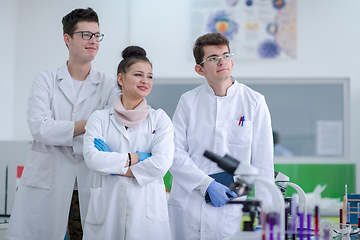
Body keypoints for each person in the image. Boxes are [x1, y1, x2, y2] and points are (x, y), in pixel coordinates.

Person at [6, 8, 119, 240]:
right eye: (86, 34)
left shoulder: (109, 85)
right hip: (49, 180)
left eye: (97, 35)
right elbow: (39, 128)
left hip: (88, 180)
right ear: (67, 39)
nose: (94, 41)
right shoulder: (45, 79)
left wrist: (66, 128)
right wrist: (90, 124)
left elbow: (108, 130)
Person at [167, 33, 274, 240]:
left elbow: (262, 163)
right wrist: (206, 184)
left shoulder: (254, 102)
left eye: (225, 55)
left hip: (227, 208)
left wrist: (265, 216)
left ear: (232, 62)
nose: (221, 61)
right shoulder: (188, 101)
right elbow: (174, 152)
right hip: (187, 205)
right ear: (200, 69)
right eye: (213, 58)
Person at [82, 46, 174, 240]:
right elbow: (92, 159)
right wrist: (137, 158)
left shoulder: (159, 119)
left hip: (146, 217)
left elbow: (161, 165)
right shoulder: (99, 118)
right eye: (138, 74)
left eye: (149, 76)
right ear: (121, 79)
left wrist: (113, 166)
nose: (145, 81)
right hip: (107, 214)